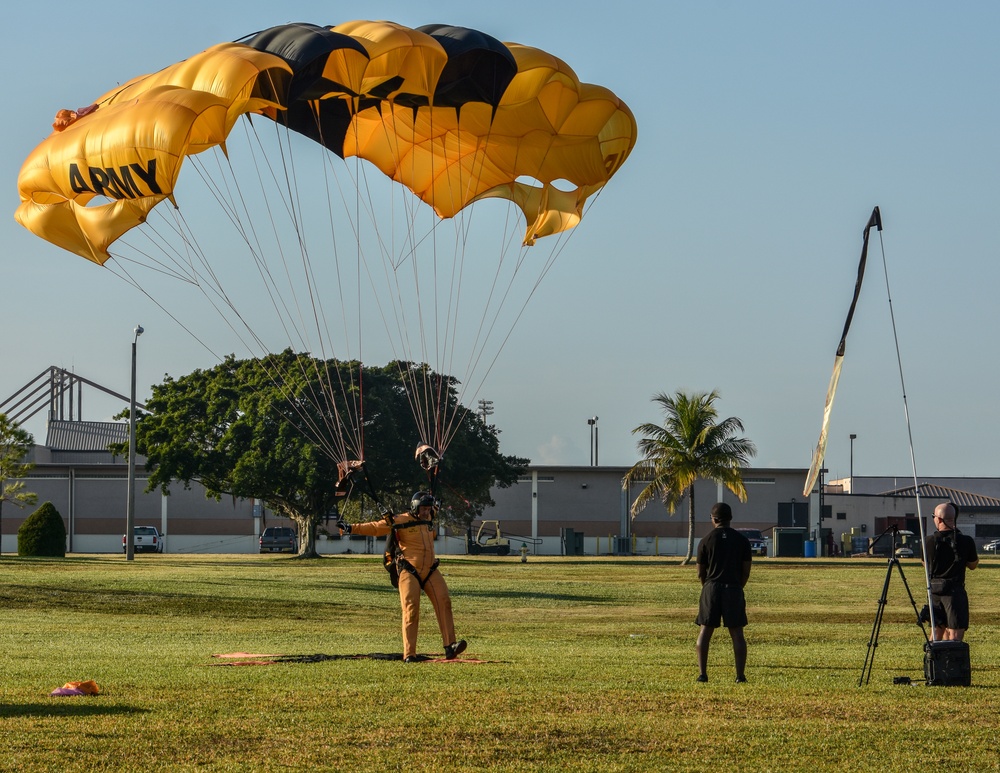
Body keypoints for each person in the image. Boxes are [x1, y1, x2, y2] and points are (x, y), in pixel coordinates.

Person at [339, 491, 466, 663]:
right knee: (411, 609)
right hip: (409, 569)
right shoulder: (399, 521)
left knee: (444, 602)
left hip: (430, 569)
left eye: (429, 508)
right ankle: (409, 654)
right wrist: (350, 527)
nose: (426, 511)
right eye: (423, 508)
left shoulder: (429, 516)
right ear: (415, 507)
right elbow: (375, 528)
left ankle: (450, 646)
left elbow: (434, 510)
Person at [695, 502, 752, 683]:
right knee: (737, 633)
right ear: (730, 519)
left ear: (713, 519)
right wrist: (738, 586)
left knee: (705, 630)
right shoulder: (742, 541)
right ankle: (740, 676)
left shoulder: (706, 540)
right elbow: (746, 570)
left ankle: (703, 674)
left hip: (711, 588)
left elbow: (700, 572)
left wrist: (708, 585)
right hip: (733, 588)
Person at [924, 502, 978, 641]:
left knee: (935, 635)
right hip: (955, 593)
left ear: (939, 519)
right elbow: (972, 565)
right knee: (955, 637)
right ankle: (952, 662)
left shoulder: (928, 541)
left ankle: (932, 661)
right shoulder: (966, 541)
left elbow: (925, 565)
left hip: (934, 591)